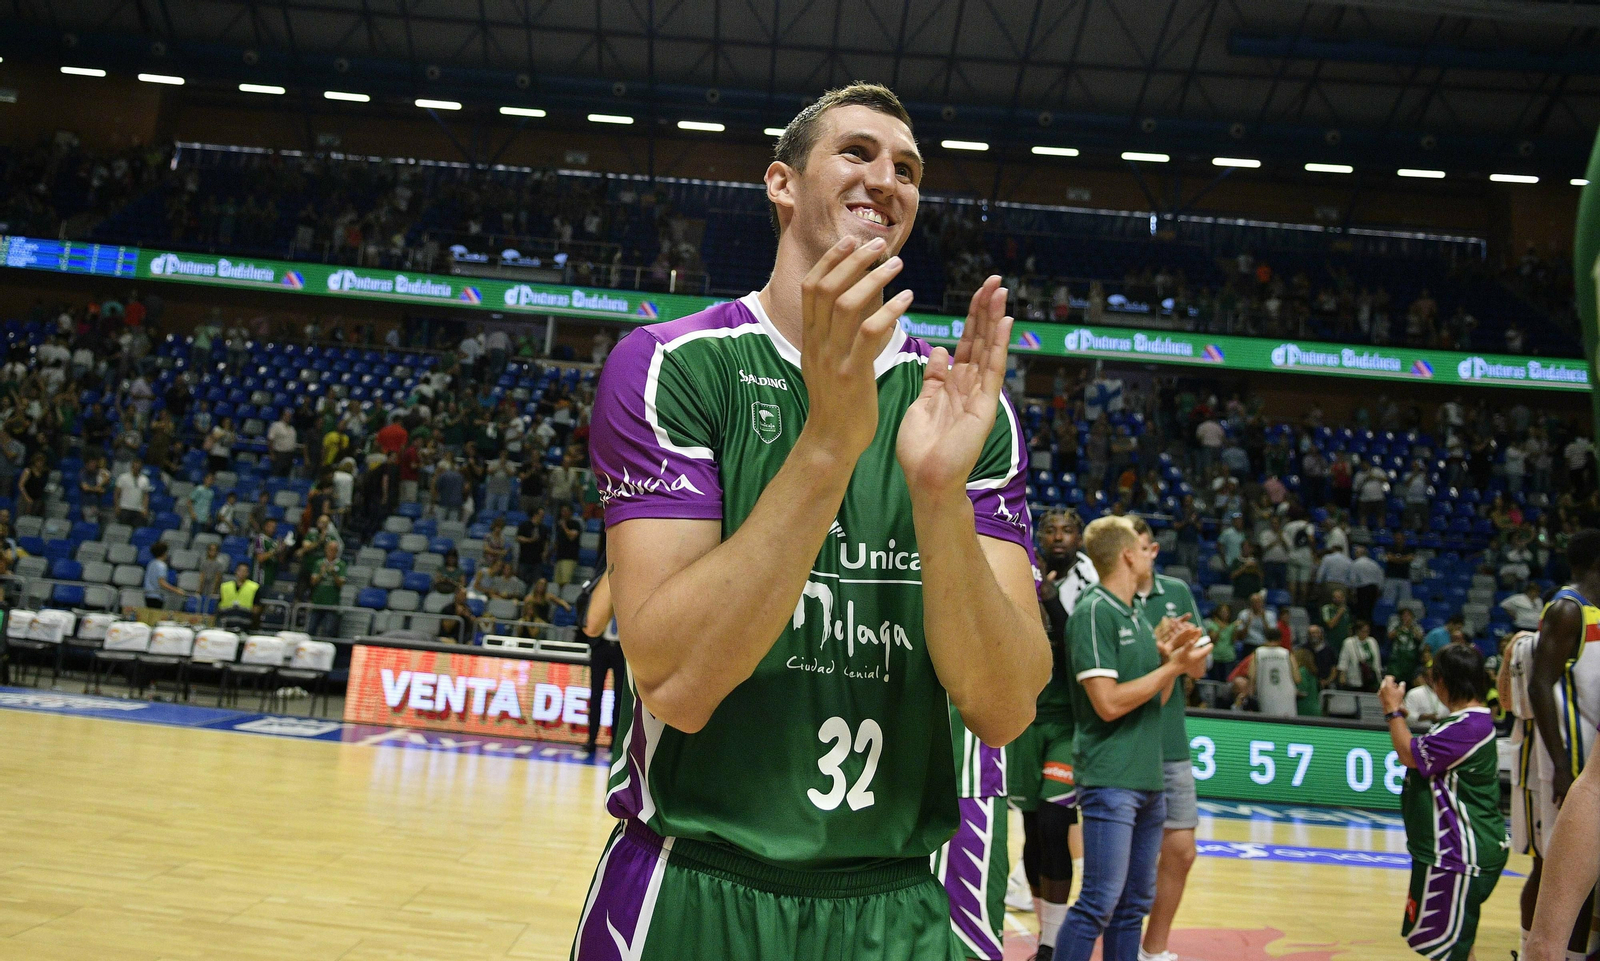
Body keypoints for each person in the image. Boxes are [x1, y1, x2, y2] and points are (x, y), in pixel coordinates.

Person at [573, 83, 1050, 961]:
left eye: (907, 168)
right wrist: (830, 440)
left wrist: (940, 497)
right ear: (782, 184)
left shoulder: (962, 409)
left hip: (897, 900)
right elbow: (677, 682)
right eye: (859, 153)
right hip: (694, 883)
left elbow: (1005, 705)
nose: (888, 178)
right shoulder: (673, 366)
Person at [1061, 515, 1207, 961]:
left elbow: (1157, 701)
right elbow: (1107, 702)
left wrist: (1171, 659)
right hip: (1111, 775)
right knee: (1098, 901)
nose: (1150, 555)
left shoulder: (1136, 616)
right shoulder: (1094, 610)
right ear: (1127, 554)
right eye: (1144, 550)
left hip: (1147, 778)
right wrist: (1171, 667)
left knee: (1131, 907)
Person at [1007, 508, 1099, 956]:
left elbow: (1077, 643)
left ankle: (1052, 943)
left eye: (1067, 530)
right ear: (1039, 535)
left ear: (1080, 536)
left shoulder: (1089, 580)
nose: (1059, 537)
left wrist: (1046, 598)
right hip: (1025, 717)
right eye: (1050, 530)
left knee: (1053, 821)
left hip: (1068, 721)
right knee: (1029, 827)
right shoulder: (1019, 567)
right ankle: (1046, 936)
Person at [1378, 643, 1508, 961]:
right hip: (1458, 852)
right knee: (1459, 947)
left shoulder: (1469, 726)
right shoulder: (1468, 723)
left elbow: (1408, 753)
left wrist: (1392, 710)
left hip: (1459, 854)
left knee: (1450, 952)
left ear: (1441, 683)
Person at [1130, 518, 1207, 961]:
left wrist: (1184, 651)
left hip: (1170, 743)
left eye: (1140, 547)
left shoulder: (1176, 593)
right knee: (1122, 860)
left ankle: (1153, 949)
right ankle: (1119, 942)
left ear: (1153, 550)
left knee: (1180, 851)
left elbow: (1196, 670)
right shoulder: (1108, 595)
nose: (1133, 555)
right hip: (1121, 741)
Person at [1522, 529, 1600, 961]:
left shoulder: (1592, 612)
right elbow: (1539, 685)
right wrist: (1562, 765)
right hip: (1567, 762)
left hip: (1587, 754)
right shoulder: (1568, 610)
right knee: (1558, 867)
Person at [580, 567, 627, 758]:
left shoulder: (629, 589)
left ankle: (615, 742)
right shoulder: (601, 588)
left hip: (622, 650)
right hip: (601, 647)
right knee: (596, 694)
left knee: (620, 699)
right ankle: (591, 740)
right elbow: (584, 601)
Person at [308, 539, 346, 638]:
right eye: (329, 549)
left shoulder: (341, 565)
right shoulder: (319, 563)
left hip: (332, 603)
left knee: (328, 630)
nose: (331, 552)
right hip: (317, 602)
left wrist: (334, 573)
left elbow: (341, 584)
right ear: (326, 550)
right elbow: (313, 582)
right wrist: (322, 572)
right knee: (311, 628)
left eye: (334, 550)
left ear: (337, 551)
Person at [1338, 619, 1382, 692]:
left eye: (1367, 631)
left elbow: (1377, 661)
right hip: (1355, 679)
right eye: (1363, 631)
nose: (1366, 634)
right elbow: (1343, 661)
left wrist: (1379, 678)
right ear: (1357, 631)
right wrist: (1342, 676)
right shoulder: (1349, 642)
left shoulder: (1372, 641)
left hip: (1371, 680)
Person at [142, 542, 188, 609]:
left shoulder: (151, 563)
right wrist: (177, 590)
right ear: (164, 553)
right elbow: (162, 583)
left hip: (148, 595)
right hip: (156, 596)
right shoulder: (161, 565)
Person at [217, 562, 260, 631]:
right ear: (236, 572)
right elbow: (219, 606)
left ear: (248, 573)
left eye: (244, 571)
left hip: (245, 625)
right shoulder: (225, 586)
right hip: (226, 624)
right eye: (240, 570)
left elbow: (256, 609)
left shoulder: (254, 587)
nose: (242, 573)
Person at [1348, 546, 1384, 625]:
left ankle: (1362, 627)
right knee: (1370, 611)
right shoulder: (1374, 564)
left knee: (1362, 612)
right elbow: (1381, 578)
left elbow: (1352, 580)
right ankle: (1369, 627)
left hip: (1362, 589)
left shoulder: (1355, 563)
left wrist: (1352, 592)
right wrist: (1379, 590)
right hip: (1373, 589)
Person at [115, 458, 151, 527]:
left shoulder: (145, 480)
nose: (136, 469)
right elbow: (117, 493)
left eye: (138, 467)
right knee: (123, 529)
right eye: (135, 467)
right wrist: (117, 506)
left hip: (138, 510)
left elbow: (145, 496)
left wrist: (145, 508)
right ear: (132, 466)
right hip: (124, 508)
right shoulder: (123, 477)